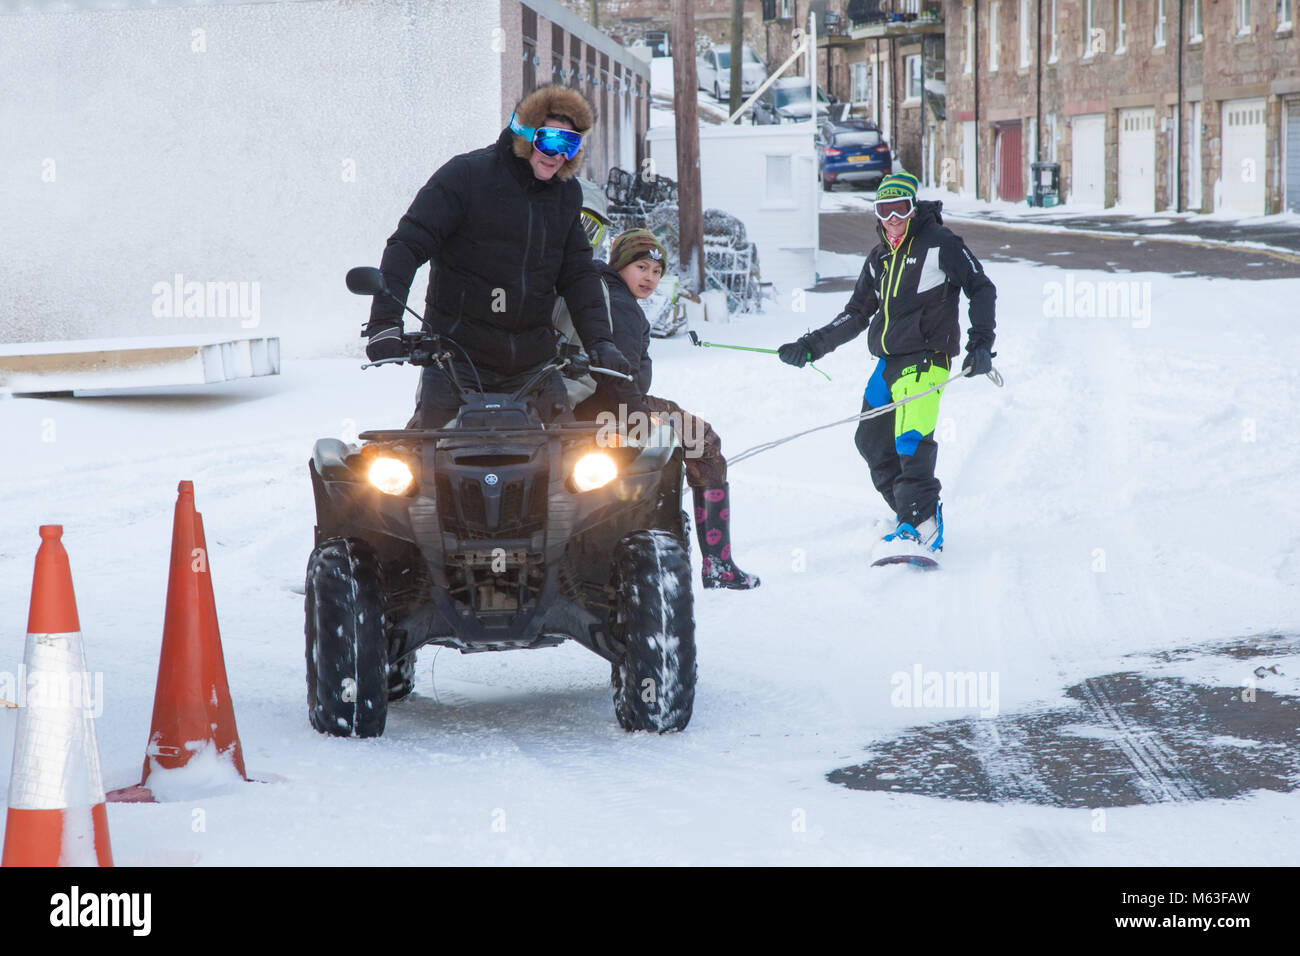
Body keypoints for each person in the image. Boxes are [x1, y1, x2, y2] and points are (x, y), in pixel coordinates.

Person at [362, 85, 633, 428]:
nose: (558, 155)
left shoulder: (565, 195)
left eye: (570, 144)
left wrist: (601, 343)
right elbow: (407, 245)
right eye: (550, 141)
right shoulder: (465, 177)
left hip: (534, 367)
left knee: (570, 469)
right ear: (524, 134)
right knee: (425, 469)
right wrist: (385, 324)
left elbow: (579, 275)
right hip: (455, 363)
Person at [778, 172, 996, 560]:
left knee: (910, 441)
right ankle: (907, 514)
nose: (893, 218)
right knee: (871, 440)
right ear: (877, 215)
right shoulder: (879, 258)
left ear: (913, 210)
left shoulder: (940, 244)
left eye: (901, 208)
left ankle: (922, 523)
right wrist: (811, 347)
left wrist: (981, 342)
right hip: (888, 364)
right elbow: (857, 313)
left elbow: (981, 287)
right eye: (885, 210)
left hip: (926, 360)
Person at [555, 227, 760, 590]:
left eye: (656, 271)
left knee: (677, 418)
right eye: (641, 267)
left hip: (598, 405)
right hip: (610, 411)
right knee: (704, 441)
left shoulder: (604, 294)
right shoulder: (620, 306)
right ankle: (718, 564)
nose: (649, 277)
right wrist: (641, 423)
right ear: (620, 265)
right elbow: (615, 378)